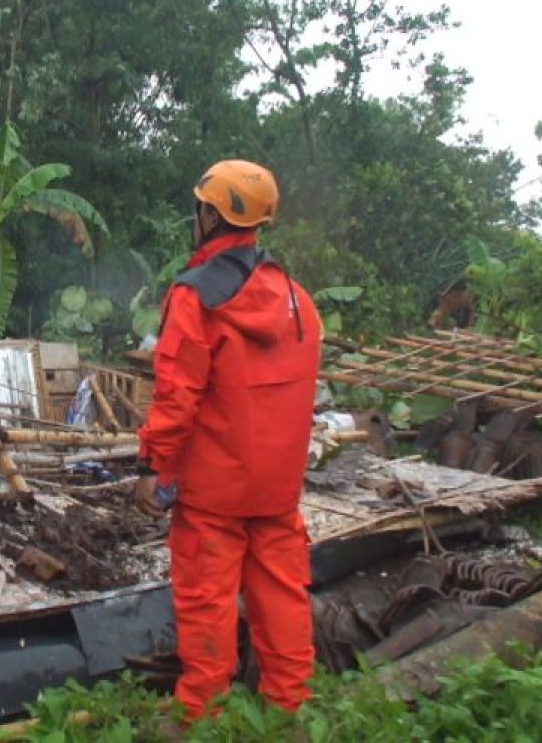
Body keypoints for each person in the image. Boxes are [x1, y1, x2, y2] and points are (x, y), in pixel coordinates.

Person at [134, 159, 322, 719]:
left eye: (201, 207)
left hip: (214, 491)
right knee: (283, 596)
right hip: (277, 489)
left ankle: (201, 713)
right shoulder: (297, 300)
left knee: (206, 600)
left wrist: (155, 468)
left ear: (211, 214)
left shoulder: (195, 297)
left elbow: (177, 398)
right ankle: (290, 708)